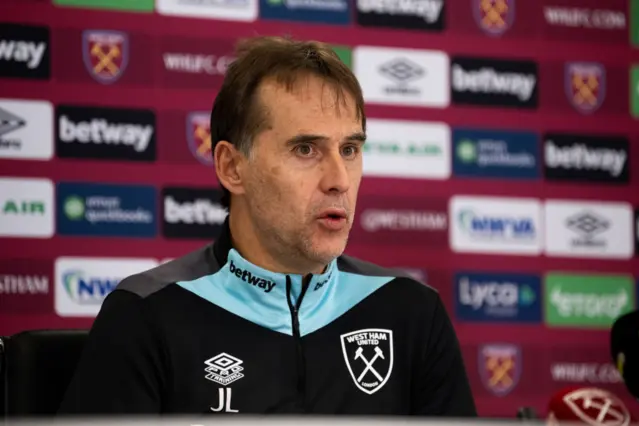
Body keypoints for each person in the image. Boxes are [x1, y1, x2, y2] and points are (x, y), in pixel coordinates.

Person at [58, 36, 477, 417]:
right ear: (232, 167)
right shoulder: (146, 314)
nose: (339, 180)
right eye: (306, 149)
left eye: (349, 149)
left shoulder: (412, 314)